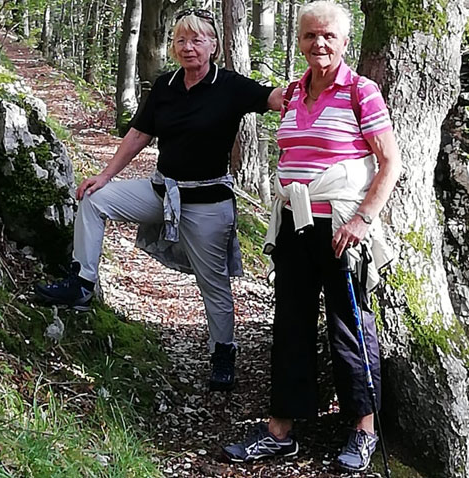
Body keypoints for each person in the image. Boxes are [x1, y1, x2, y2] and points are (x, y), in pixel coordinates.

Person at [35, 9, 283, 392]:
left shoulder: (231, 86)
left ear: (214, 45)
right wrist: (105, 176)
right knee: (95, 199)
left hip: (208, 203)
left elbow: (274, 98)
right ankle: (81, 282)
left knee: (212, 283)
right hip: (161, 192)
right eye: (181, 40)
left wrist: (317, 80)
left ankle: (223, 352)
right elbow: (139, 134)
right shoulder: (165, 86)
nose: (188, 47)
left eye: (197, 40)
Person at [222, 1, 401, 473]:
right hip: (294, 228)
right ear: (299, 41)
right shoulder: (294, 93)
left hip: (343, 228)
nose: (318, 44)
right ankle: (281, 430)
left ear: (344, 42)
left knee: (350, 327)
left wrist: (362, 221)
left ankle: (363, 430)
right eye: (309, 36)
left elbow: (390, 163)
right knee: (291, 325)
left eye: (328, 36)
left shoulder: (362, 91)